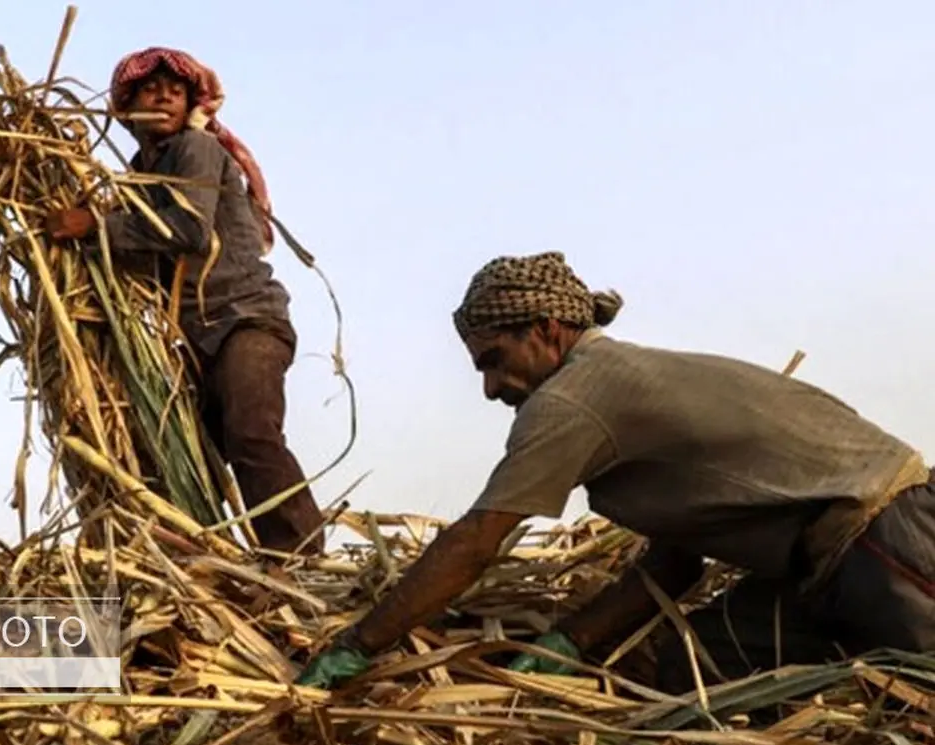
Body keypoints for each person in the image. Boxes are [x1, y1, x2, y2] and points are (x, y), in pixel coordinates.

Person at [295, 251, 935, 693]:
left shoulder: (573, 398)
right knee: (691, 669)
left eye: (494, 360)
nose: (491, 389)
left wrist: (359, 644)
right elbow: (673, 565)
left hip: (890, 541)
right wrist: (565, 649)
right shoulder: (616, 388)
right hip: (820, 572)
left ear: (546, 330)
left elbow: (478, 541)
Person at [46, 47, 326, 556]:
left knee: (251, 432)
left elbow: (189, 230)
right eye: (151, 90)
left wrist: (94, 226)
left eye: (175, 92)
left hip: (246, 319)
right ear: (127, 106)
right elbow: (143, 255)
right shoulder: (142, 174)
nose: (164, 97)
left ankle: (301, 556)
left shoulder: (193, 148)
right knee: (208, 448)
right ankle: (223, 556)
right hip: (198, 335)